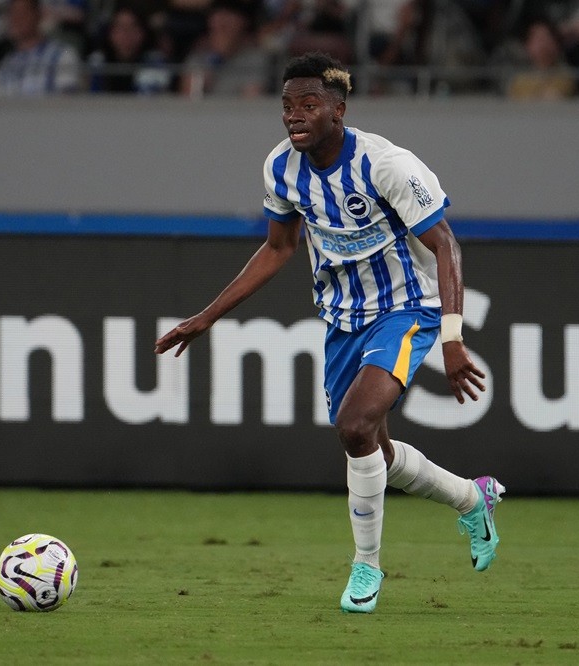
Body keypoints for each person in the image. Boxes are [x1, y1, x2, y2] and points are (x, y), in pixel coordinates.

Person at [155, 52, 503, 614]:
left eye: (309, 104)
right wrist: (207, 316)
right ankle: (471, 498)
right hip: (342, 318)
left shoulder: (386, 165)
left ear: (338, 111)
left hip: (407, 307)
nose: (295, 115)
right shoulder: (281, 169)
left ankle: (366, 566)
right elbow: (278, 249)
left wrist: (453, 339)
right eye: (287, 106)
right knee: (371, 447)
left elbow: (446, 245)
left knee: (354, 425)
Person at [180, 0, 270, 97]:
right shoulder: (198, 57)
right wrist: (216, 58)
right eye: (217, 14)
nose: (222, 21)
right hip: (204, 111)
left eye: (229, 15)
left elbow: (252, 100)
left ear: (243, 22)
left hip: (235, 111)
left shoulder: (254, 58)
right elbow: (189, 97)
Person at [0, 0, 81, 96]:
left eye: (22, 14)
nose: (16, 19)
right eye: (12, 14)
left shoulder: (62, 55)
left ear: (37, 15)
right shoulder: (8, 62)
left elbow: (68, 102)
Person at [506, 17, 577, 99]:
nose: (543, 44)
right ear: (527, 45)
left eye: (547, 38)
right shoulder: (519, 80)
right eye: (538, 39)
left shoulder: (567, 77)